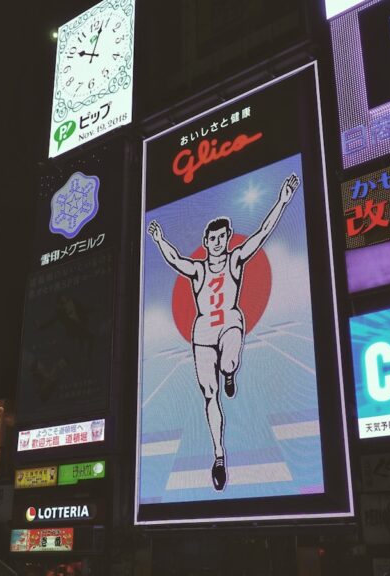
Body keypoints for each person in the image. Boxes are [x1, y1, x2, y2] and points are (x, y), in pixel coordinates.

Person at [147, 172, 299, 491]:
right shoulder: (198, 269)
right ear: (206, 242)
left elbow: (262, 233)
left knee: (229, 359)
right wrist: (159, 239)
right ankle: (219, 455)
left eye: (222, 237)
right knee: (209, 394)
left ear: (228, 238)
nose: (217, 243)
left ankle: (229, 371)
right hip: (202, 331)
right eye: (212, 239)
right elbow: (175, 260)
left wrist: (282, 201)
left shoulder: (235, 260)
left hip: (229, 321)